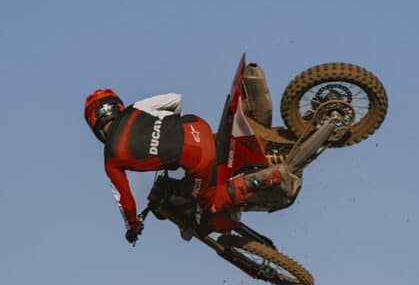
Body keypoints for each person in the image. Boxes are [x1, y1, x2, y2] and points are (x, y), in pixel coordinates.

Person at [84, 88, 296, 244]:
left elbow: (126, 203)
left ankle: (270, 177)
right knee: (215, 158)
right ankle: (269, 146)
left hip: (196, 159)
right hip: (197, 126)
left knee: (209, 201)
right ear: (117, 105)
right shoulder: (136, 108)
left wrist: (132, 227)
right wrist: (167, 133)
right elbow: (175, 99)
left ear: (95, 124)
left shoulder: (111, 158)